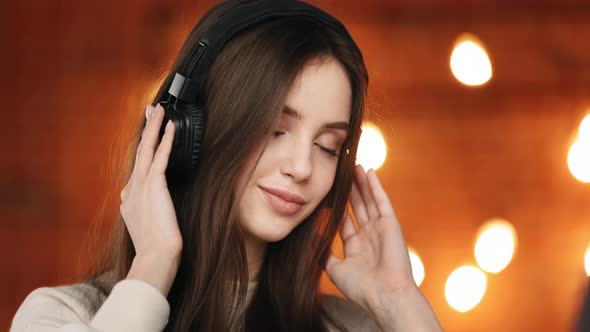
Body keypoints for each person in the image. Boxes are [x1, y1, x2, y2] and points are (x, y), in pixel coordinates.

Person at [11, 0, 443, 331]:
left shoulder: (355, 326)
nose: (302, 166)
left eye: (329, 146)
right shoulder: (62, 317)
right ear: (184, 134)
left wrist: (400, 302)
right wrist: (154, 265)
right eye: (275, 130)